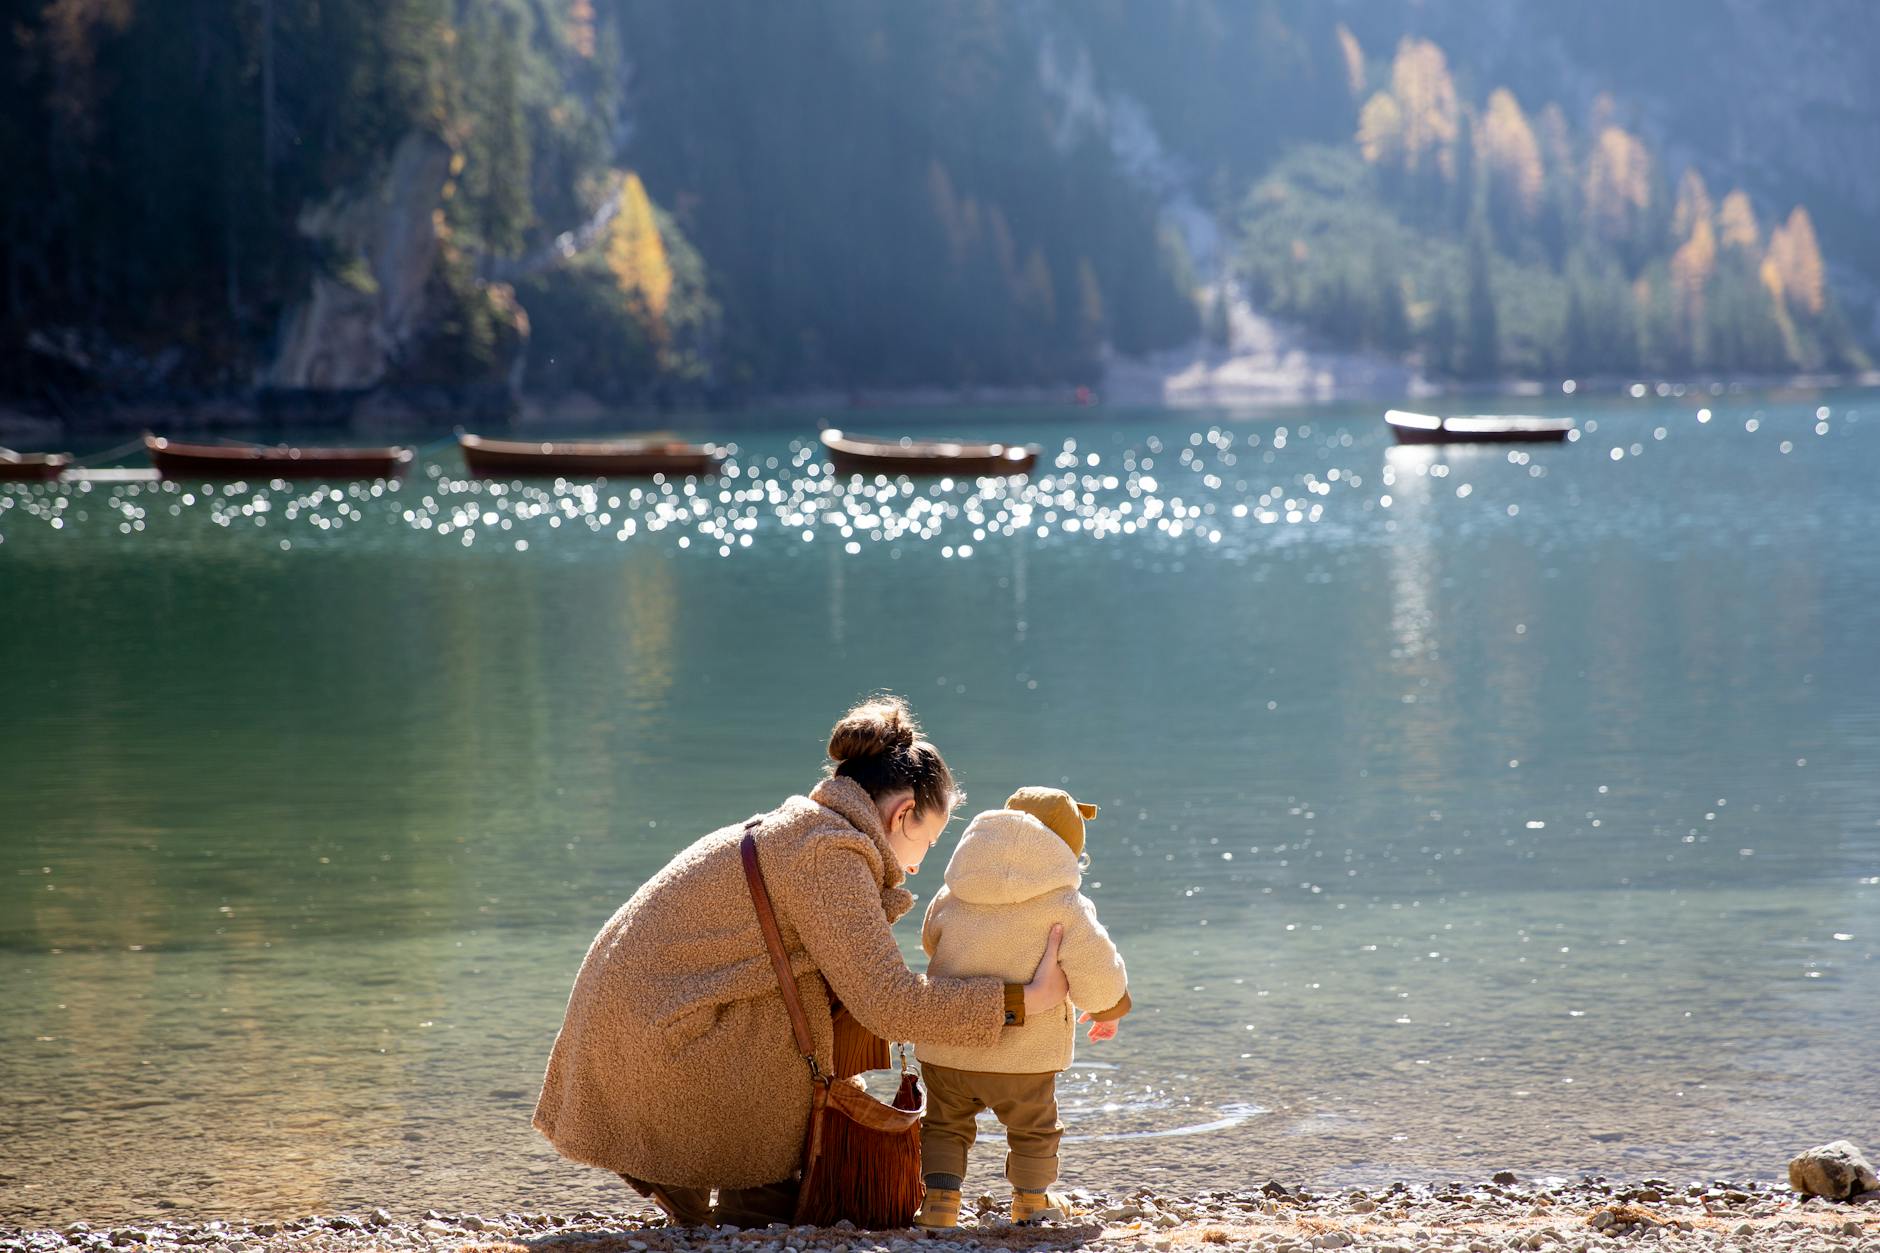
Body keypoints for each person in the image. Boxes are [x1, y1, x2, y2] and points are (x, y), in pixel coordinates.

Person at [531, 696, 1070, 1229]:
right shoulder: (827, 854)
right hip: (655, 1046)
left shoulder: (804, 830)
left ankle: (718, 1178)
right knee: (820, 1181)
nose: (918, 865)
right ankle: (722, 1171)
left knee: (812, 1015)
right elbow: (890, 1003)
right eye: (929, 840)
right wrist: (1024, 1000)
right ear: (903, 814)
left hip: (631, 1035)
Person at [912, 787, 1131, 1228]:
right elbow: (1097, 968)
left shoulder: (954, 891)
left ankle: (939, 1203)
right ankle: (1030, 1202)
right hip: (1026, 1058)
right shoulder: (1065, 905)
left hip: (949, 1048)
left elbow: (930, 940)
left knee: (944, 1125)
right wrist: (1108, 1010)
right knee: (1034, 1128)